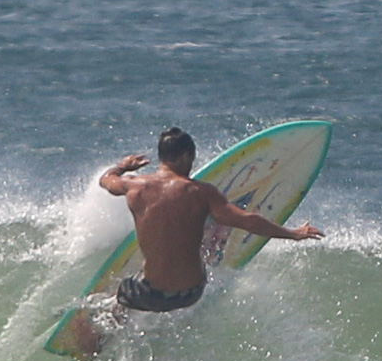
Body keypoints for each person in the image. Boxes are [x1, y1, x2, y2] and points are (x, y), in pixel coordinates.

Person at [98, 127, 324, 313]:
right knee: (204, 220)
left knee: (118, 295)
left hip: (151, 294)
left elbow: (106, 180)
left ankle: (112, 320)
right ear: (186, 156)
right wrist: (294, 234)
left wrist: (122, 166)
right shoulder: (202, 193)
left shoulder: (133, 186)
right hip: (191, 293)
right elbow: (249, 221)